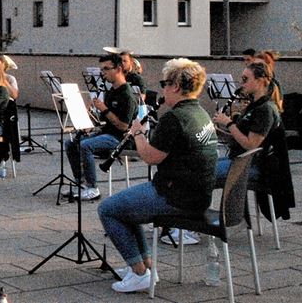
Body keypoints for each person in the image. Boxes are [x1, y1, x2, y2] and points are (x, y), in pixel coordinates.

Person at [98, 58, 217, 293]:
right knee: (127, 208)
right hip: (197, 195)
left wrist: (139, 133)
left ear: (175, 86)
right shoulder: (200, 113)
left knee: (108, 209)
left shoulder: (174, 118)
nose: (162, 89)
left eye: (164, 83)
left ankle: (140, 273)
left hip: (176, 197)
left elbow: (151, 157)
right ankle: (143, 265)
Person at [62, 54, 138, 201]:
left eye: (106, 69)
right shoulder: (111, 92)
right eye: (102, 70)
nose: (103, 73)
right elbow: (105, 121)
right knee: (70, 143)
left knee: (85, 145)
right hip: (107, 133)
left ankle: (93, 188)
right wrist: (91, 120)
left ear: (118, 69)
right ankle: (81, 183)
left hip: (120, 138)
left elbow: (122, 126)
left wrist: (103, 108)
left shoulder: (126, 94)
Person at [212, 61, 280, 186]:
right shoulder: (254, 106)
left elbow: (251, 145)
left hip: (252, 165)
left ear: (260, 81)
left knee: (203, 172)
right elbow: (238, 138)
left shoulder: (265, 109)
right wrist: (217, 132)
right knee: (201, 165)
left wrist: (228, 123)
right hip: (240, 160)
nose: (242, 84)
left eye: (245, 79)